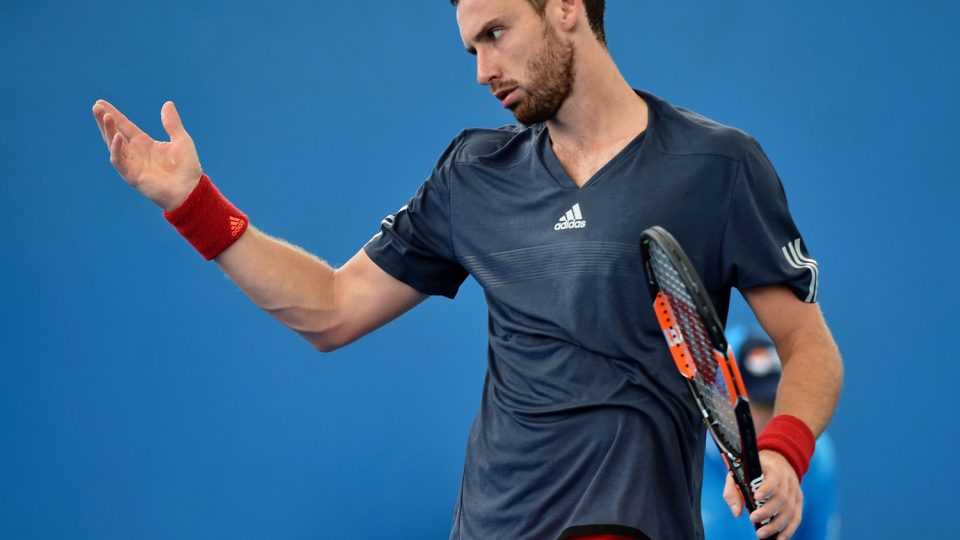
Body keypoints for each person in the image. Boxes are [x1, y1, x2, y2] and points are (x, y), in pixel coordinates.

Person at [91, 1, 843, 539]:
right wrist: (195, 203)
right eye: (470, 48)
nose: (483, 70)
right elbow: (331, 307)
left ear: (567, 9)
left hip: (623, 522)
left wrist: (782, 451)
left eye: (496, 34)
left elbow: (808, 347)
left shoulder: (717, 167)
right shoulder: (473, 175)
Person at [701, 328, 841, 539]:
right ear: (718, 399)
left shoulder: (815, 456)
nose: (769, 420)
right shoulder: (683, 450)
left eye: (774, 405)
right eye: (754, 406)